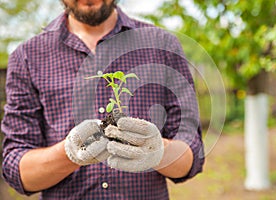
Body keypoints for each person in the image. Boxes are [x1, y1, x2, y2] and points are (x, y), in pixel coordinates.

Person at [1, 0, 205, 199]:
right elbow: (17, 171)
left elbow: (191, 155)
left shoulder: (162, 45)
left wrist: (158, 151)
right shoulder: (27, 57)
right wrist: (69, 153)